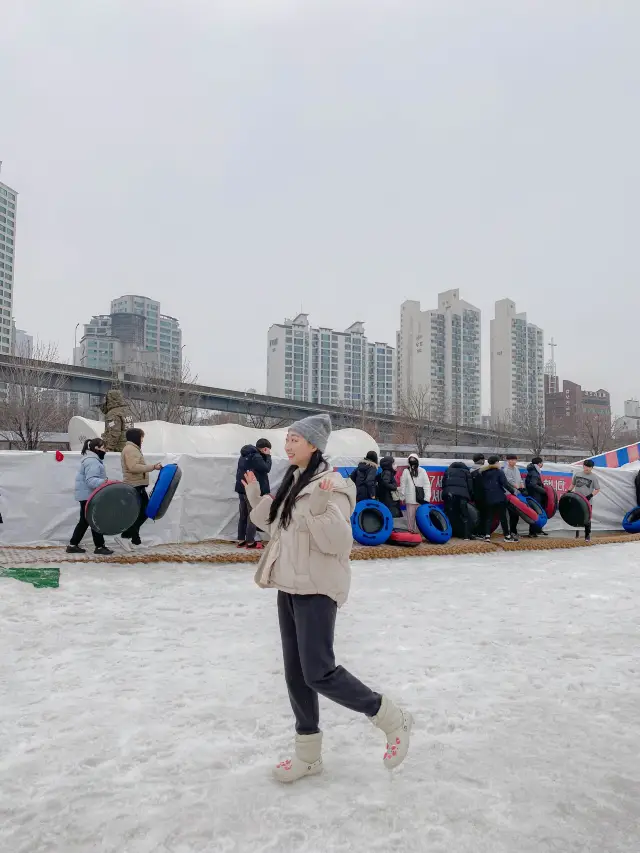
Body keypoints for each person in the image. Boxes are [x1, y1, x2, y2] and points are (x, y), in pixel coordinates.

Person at [243, 414, 412, 783]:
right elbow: (280, 529)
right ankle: (308, 756)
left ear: (314, 445)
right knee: (295, 674)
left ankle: (389, 716)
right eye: (287, 438)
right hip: (289, 583)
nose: (288, 445)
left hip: (317, 587)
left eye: (295, 440)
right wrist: (257, 500)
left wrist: (320, 509)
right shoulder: (293, 480)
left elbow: (337, 543)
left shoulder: (334, 484)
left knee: (318, 671)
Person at [67, 438, 114, 556]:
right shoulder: (92, 461)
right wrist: (105, 481)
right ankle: (99, 546)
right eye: (103, 448)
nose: (105, 450)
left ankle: (73, 545)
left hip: (86, 495)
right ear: (96, 448)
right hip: (89, 495)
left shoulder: (90, 460)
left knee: (85, 520)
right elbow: (91, 481)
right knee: (94, 520)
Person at [120, 428, 161, 545]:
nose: (142, 439)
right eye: (141, 437)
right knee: (143, 512)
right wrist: (152, 467)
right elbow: (133, 467)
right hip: (134, 485)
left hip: (138, 485)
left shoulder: (134, 449)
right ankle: (130, 535)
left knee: (141, 512)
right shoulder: (130, 449)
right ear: (136, 437)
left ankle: (133, 538)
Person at [235, 439, 272, 549]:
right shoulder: (256, 456)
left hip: (242, 488)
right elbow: (266, 468)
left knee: (243, 515)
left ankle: (241, 540)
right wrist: (268, 456)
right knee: (253, 514)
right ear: (265, 448)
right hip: (250, 489)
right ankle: (251, 542)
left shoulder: (244, 455)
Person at [480, 455, 517, 541]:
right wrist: (512, 491)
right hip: (499, 497)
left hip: (488, 497)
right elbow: (505, 483)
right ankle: (507, 536)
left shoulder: (483, 472)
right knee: (503, 517)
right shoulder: (499, 472)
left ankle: (487, 535)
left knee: (489, 517)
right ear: (496, 462)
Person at [568, 459, 601, 542]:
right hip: (577, 500)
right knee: (576, 516)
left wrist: (590, 495)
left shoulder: (594, 477)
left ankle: (587, 535)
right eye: (585, 466)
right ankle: (577, 534)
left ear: (592, 468)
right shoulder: (578, 474)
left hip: (587, 502)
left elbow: (597, 489)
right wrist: (568, 491)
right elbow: (573, 483)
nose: (587, 468)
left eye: (589, 467)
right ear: (583, 466)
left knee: (587, 519)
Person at [399, 454, 431, 534]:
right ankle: (411, 532)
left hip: (420, 499)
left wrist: (427, 497)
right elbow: (403, 485)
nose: (412, 462)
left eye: (414, 460)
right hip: (410, 498)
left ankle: (419, 532)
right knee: (410, 517)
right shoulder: (406, 471)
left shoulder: (422, 471)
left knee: (420, 517)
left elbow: (427, 484)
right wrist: (402, 497)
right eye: (411, 460)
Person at [441, 461, 473, 540]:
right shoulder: (466, 472)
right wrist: (470, 496)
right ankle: (466, 535)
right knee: (464, 515)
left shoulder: (447, 471)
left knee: (448, 514)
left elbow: (443, 484)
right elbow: (470, 486)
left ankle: (447, 533)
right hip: (462, 495)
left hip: (449, 494)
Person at [525, 456, 548, 538]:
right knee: (535, 513)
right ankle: (532, 532)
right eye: (542, 463)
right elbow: (533, 484)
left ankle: (537, 530)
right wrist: (543, 490)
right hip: (535, 495)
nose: (542, 464)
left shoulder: (533, 471)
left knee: (538, 512)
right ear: (538, 464)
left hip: (534, 495)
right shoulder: (534, 473)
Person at [503, 455, 525, 540]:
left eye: (515, 460)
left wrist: (523, 488)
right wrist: (518, 487)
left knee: (516, 514)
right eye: (512, 460)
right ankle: (512, 532)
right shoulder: (506, 470)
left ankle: (514, 531)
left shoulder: (516, 469)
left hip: (517, 494)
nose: (514, 461)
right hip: (509, 495)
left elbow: (520, 480)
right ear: (508, 461)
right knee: (513, 514)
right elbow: (510, 481)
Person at [470, 453, 486, 537]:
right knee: (484, 514)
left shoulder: (470, 471)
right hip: (483, 496)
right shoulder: (484, 471)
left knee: (476, 515)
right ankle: (482, 532)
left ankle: (476, 532)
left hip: (474, 496)